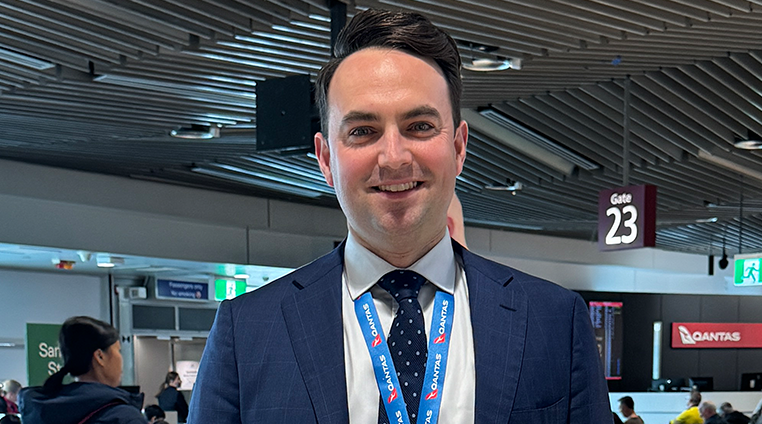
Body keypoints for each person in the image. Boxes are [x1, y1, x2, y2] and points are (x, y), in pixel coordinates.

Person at [188, 8, 610, 424]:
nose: (393, 157)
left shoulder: (554, 321)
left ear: (459, 147)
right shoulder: (246, 332)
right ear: (326, 158)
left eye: (420, 126)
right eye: (362, 132)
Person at [18, 316, 146, 424]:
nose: (121, 358)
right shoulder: (123, 417)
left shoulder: (39, 412)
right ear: (100, 356)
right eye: (118, 350)